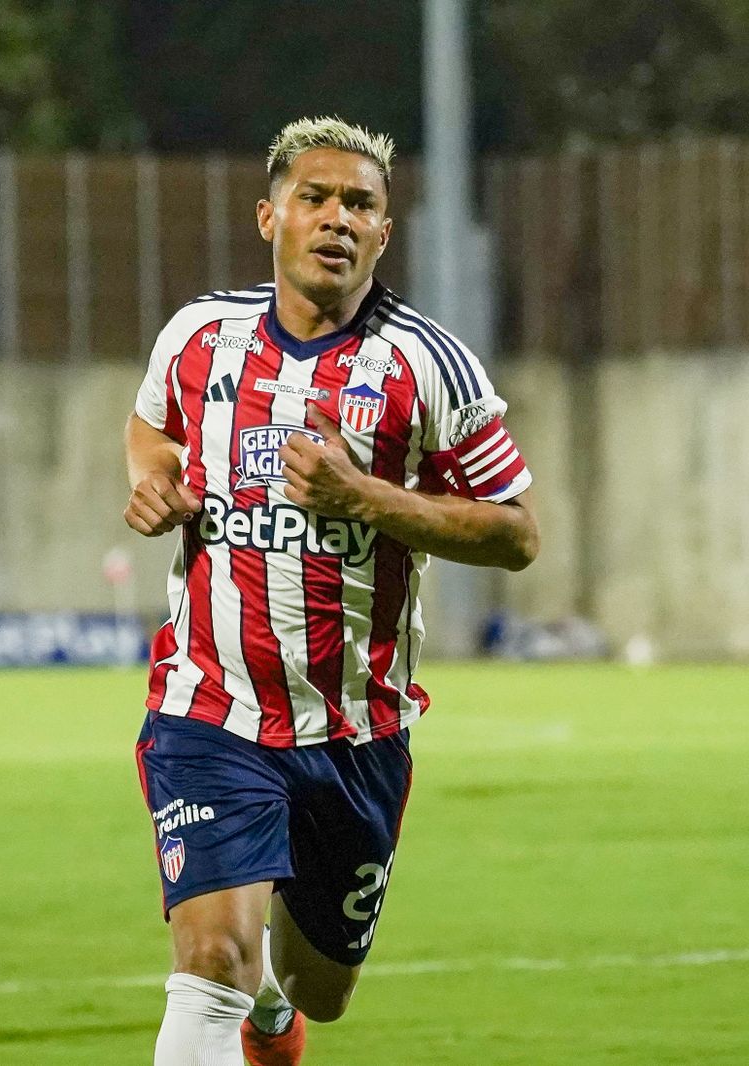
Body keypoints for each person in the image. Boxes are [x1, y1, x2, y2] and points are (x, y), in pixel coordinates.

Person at [122, 117, 538, 1066]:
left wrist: (367, 496)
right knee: (211, 959)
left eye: (360, 204)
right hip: (211, 711)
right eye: (315, 198)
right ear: (270, 215)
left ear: (385, 235)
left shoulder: (429, 365)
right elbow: (150, 427)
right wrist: (153, 480)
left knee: (322, 990)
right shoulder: (198, 336)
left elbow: (517, 533)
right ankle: (242, 991)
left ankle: (275, 1008)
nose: (336, 218)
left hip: (357, 730)